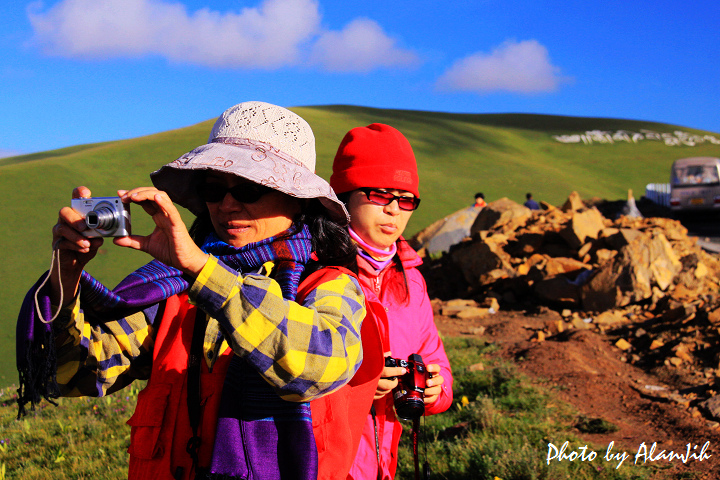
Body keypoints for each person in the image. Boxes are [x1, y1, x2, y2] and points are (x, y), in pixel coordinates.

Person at [16, 101, 367, 480]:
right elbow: (76, 372)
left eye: (248, 188)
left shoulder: (329, 284)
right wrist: (65, 279)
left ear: (297, 200)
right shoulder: (171, 285)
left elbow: (319, 363)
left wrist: (202, 270)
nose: (227, 204)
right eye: (214, 189)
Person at [321, 123, 453, 479]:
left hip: (382, 461)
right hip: (322, 459)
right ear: (344, 196)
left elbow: (434, 356)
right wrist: (359, 380)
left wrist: (434, 391)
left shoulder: (411, 277)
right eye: (380, 195)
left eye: (406, 199)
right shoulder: (312, 268)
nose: (395, 209)